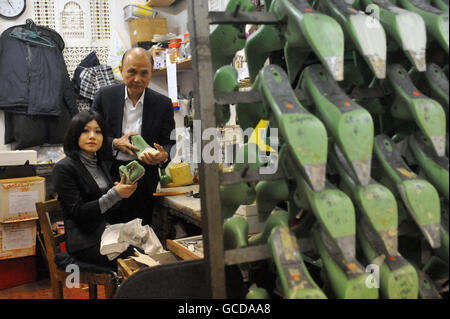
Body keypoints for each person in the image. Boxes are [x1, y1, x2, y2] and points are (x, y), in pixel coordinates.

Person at [91, 47, 175, 227]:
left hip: (143, 178)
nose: (138, 79)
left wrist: (163, 156)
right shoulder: (104, 97)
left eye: (144, 73)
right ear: (120, 70)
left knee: (140, 231)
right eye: (132, 72)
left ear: (151, 73)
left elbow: (169, 144)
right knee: (108, 231)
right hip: (108, 174)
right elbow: (89, 136)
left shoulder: (163, 104)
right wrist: (114, 143)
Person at [52, 111, 138, 269]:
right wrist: (115, 194)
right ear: (74, 134)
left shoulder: (100, 164)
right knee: (137, 260)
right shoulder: (63, 168)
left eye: (98, 131)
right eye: (85, 130)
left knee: (149, 247)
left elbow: (109, 208)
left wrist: (122, 194)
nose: (92, 136)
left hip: (107, 233)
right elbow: (78, 212)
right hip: (85, 242)